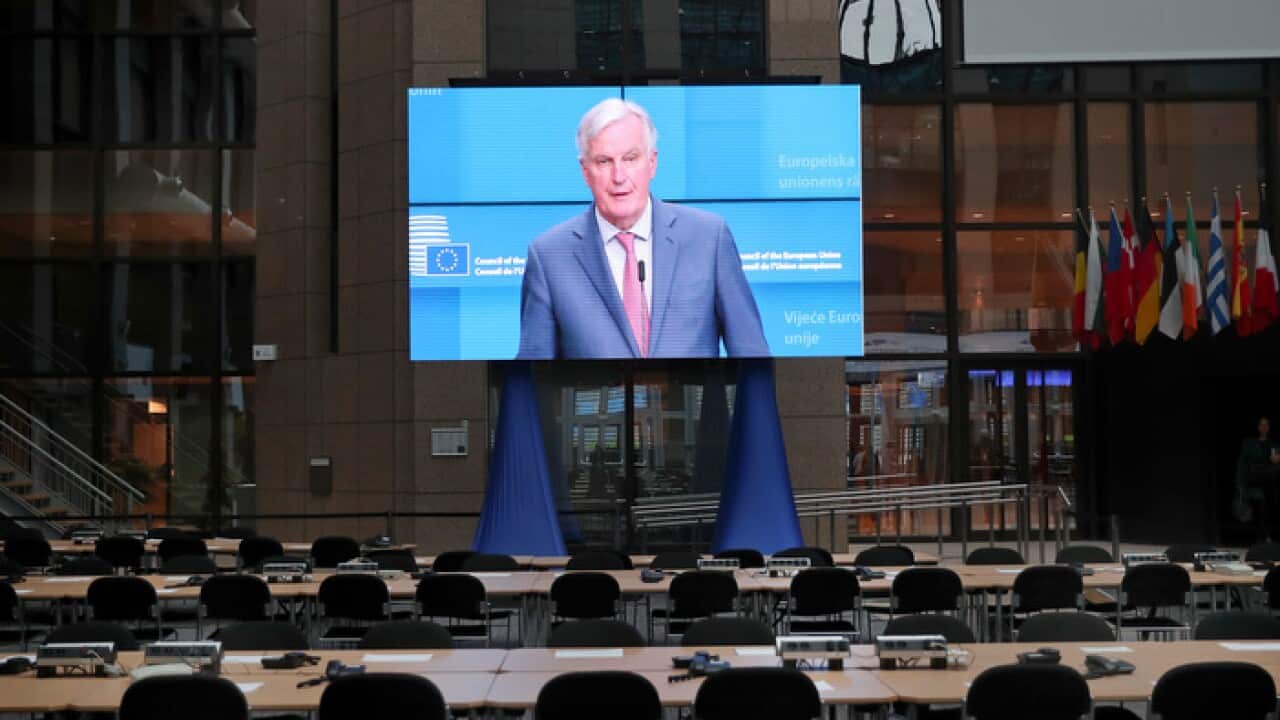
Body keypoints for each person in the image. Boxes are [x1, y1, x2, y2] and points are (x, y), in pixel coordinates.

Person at [516, 98, 769, 360]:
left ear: (652, 163)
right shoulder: (548, 257)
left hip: (691, 402)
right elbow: (531, 379)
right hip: (598, 401)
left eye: (630, 158)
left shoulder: (709, 238)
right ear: (585, 171)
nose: (619, 176)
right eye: (604, 161)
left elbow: (753, 358)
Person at [1236, 416, 1280, 541]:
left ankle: (1265, 536)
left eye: (1267, 425)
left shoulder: (1273, 444)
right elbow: (1242, 463)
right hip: (1253, 480)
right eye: (1262, 424)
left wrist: (1276, 460)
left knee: (1265, 506)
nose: (1264, 427)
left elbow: (1275, 461)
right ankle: (1261, 537)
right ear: (1258, 427)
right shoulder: (1249, 443)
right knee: (1257, 508)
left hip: (1267, 483)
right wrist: (1239, 482)